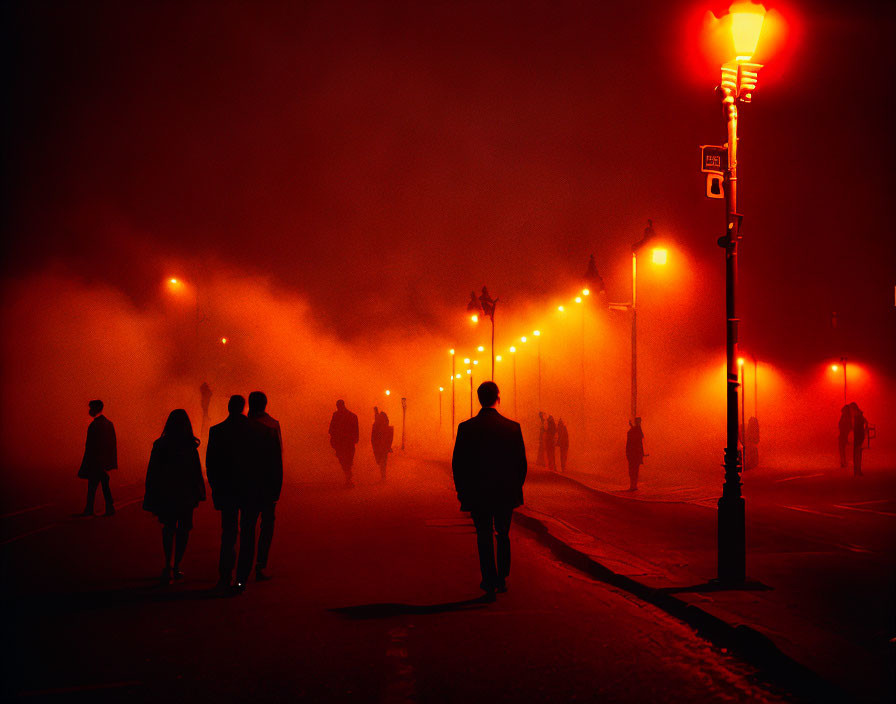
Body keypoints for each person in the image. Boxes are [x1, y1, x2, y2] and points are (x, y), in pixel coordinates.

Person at [452, 381, 527, 599]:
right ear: (498, 397)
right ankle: (502, 578)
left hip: (478, 493)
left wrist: (462, 491)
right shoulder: (512, 427)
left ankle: (489, 581)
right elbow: (521, 464)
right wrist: (514, 487)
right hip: (505, 492)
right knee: (502, 534)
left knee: (483, 535)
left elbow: (459, 463)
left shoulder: (466, 428)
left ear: (479, 399)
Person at [143, 409, 206, 584]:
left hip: (167, 493)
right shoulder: (190, 446)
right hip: (185, 494)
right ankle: (177, 564)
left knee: (168, 528)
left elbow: (153, 471)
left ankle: (167, 564)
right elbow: (195, 472)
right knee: (184, 529)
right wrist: (199, 492)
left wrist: (151, 492)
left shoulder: (161, 444)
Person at [206, 395, 253, 591]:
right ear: (244, 408)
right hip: (251, 490)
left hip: (227, 490)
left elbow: (211, 464)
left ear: (228, 408)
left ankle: (225, 575)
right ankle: (242, 579)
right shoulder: (256, 430)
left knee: (229, 534)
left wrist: (216, 490)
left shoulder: (217, 431)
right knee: (248, 533)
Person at [242, 391, 284, 585]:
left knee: (247, 527)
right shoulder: (272, 426)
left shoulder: (242, 426)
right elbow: (277, 458)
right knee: (266, 526)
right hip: (267, 486)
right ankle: (260, 564)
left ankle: (243, 569)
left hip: (247, 485)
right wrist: (277, 487)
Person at [77, 400, 117, 517]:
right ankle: (109, 507)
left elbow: (90, 447)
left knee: (93, 486)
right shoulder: (108, 424)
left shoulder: (95, 425)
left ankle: (91, 509)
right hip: (103, 462)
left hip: (96, 462)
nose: (89, 410)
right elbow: (112, 445)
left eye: (91, 408)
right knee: (103, 485)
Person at [329, 400, 359, 487]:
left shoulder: (336, 416)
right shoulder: (352, 416)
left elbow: (331, 430)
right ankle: (348, 477)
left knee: (344, 460)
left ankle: (348, 477)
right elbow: (356, 430)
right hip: (347, 442)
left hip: (342, 442)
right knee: (347, 460)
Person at [371, 410, 393, 480]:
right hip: (382, 445)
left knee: (381, 460)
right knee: (382, 460)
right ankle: (383, 474)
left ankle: (383, 474)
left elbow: (373, 436)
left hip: (380, 445)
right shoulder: (381, 425)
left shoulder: (377, 425)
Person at [625, 417, 645, 491]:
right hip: (633, 453)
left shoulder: (637, 430)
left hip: (634, 453)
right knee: (633, 470)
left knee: (633, 470)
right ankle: (633, 485)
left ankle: (633, 485)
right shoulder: (636, 429)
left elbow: (637, 437)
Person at [852, 403, 868, 477]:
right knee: (857, 455)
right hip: (859, 437)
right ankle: (857, 470)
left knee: (857, 455)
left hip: (858, 438)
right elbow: (865, 423)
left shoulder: (857, 417)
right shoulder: (859, 416)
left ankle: (857, 471)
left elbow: (856, 428)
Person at [837, 405, 852, 469]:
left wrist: (846, 436)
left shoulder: (846, 418)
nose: (842, 412)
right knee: (842, 449)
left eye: (843, 411)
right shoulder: (844, 417)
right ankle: (843, 462)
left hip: (844, 435)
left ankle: (844, 462)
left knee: (843, 449)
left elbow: (846, 427)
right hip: (843, 435)